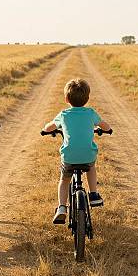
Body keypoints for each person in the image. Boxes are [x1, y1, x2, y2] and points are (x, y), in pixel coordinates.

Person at [42, 78, 112, 224]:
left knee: (64, 179)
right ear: (87, 98)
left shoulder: (63, 115)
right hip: (87, 155)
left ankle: (61, 207)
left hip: (69, 157)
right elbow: (105, 126)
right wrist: (107, 129)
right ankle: (93, 194)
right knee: (91, 167)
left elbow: (50, 127)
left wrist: (45, 129)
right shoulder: (91, 113)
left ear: (66, 99)